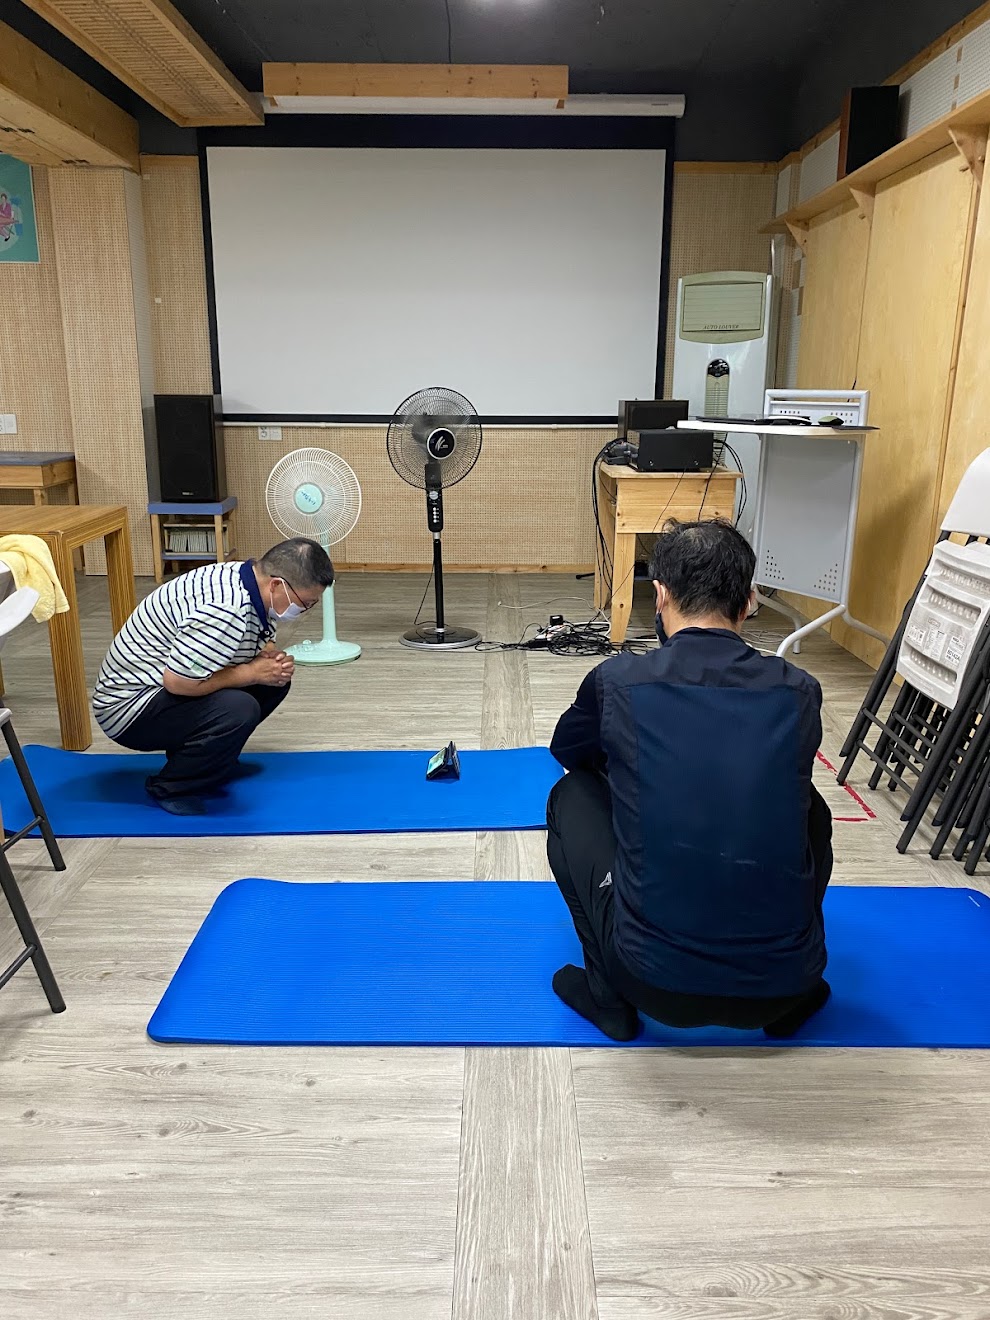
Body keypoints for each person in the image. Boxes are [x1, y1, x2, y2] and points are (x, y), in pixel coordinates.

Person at [547, 519, 832, 1042]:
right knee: (809, 806)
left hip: (651, 984)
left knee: (569, 795)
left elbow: (569, 754)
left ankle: (609, 999)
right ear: (748, 602)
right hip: (785, 988)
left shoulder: (617, 680)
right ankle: (793, 978)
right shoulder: (799, 690)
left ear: (659, 595)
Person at [92, 538, 334, 815]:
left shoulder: (250, 578)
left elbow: (254, 630)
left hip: (165, 685)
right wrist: (249, 672)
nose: (304, 610)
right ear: (277, 585)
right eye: (306, 603)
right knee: (239, 708)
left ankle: (212, 762)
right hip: (128, 709)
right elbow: (179, 683)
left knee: (273, 680)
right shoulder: (226, 609)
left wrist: (266, 656)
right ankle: (173, 786)